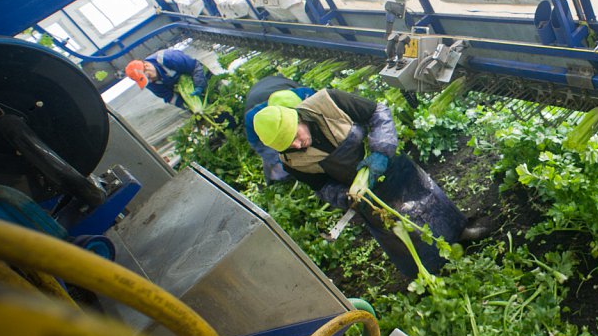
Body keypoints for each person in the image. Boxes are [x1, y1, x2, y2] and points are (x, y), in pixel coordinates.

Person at [253, 88, 488, 278]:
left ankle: (461, 232)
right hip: (366, 196)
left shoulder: (329, 101)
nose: (296, 145)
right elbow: (322, 187)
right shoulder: (291, 161)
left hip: (392, 166)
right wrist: (346, 197)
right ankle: (431, 271)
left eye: (295, 136)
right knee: (396, 234)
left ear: (297, 117)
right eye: (287, 146)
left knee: (427, 199)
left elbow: (378, 113)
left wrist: (380, 151)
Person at [243, 75, 314, 183]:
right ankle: (274, 180)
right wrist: (285, 162)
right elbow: (257, 143)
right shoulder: (254, 118)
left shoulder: (305, 95)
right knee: (279, 164)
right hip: (257, 94)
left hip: (277, 81)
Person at [125, 48, 211, 109]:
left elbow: (195, 66)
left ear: (147, 66)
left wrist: (199, 86)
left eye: (147, 76)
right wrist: (188, 105)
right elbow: (169, 97)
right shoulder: (149, 83)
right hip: (191, 94)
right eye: (145, 80)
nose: (150, 81)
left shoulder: (168, 58)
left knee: (216, 91)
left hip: (201, 75)